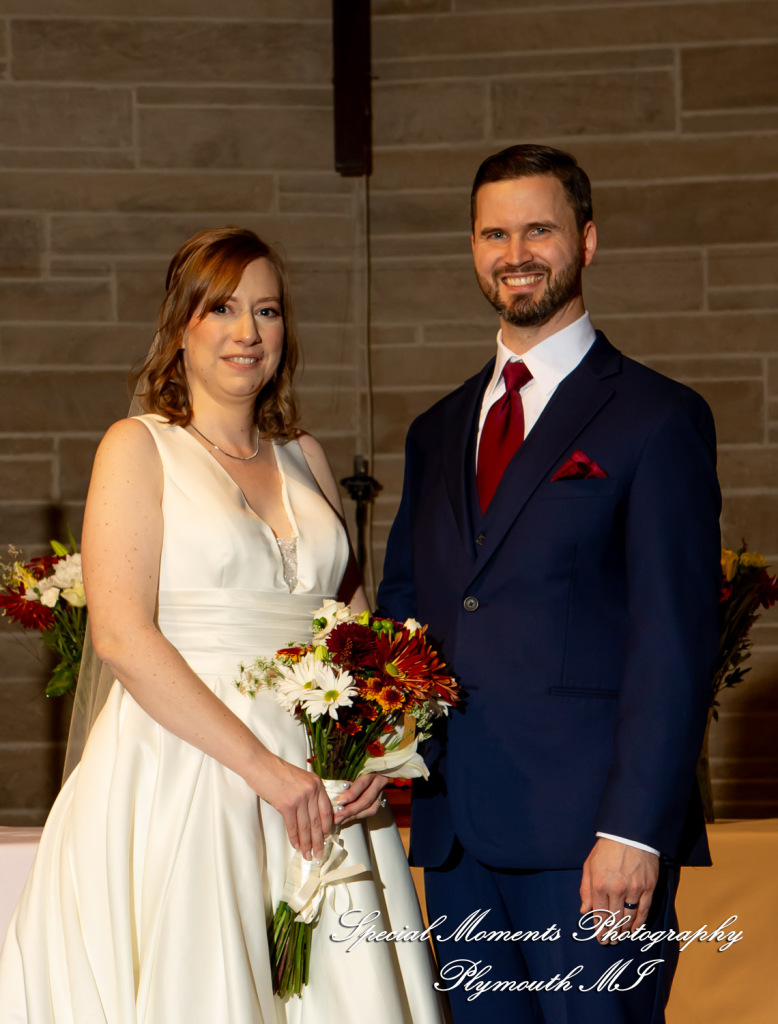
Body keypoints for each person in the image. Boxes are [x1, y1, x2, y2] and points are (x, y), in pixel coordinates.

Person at [0, 227, 443, 1024]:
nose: (248, 332)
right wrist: (263, 771)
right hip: (191, 767)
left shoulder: (305, 454)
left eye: (267, 311)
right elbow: (122, 638)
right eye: (223, 309)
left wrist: (382, 749)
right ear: (181, 328)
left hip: (326, 776)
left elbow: (358, 626)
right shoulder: (138, 448)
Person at [377, 146, 722, 1024]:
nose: (515, 251)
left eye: (539, 228)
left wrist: (634, 830)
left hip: (592, 840)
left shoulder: (657, 418)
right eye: (495, 232)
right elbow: (406, 615)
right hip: (458, 841)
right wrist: (367, 751)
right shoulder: (436, 429)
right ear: (473, 247)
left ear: (588, 241)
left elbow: (674, 642)